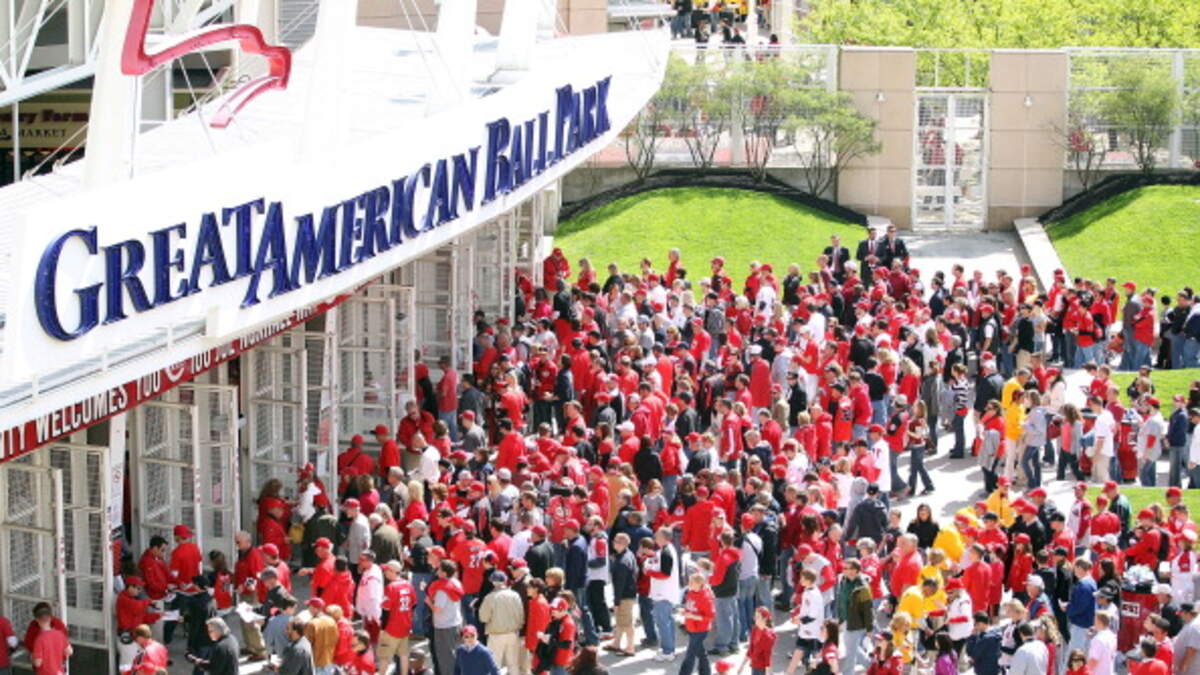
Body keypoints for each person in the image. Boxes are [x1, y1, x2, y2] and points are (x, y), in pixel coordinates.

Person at [679, 572, 716, 675]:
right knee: (701, 653)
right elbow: (690, 607)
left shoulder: (706, 598)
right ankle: (705, 672)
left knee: (690, 654)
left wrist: (693, 616)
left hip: (700, 630)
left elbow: (710, 617)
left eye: (692, 582)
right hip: (691, 627)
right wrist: (685, 612)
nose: (689, 584)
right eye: (689, 582)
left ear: (699, 584)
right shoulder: (690, 592)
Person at [28, 604, 69, 675]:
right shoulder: (60, 633)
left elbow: (37, 663)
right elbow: (69, 651)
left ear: (37, 619)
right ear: (50, 617)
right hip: (59, 671)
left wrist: (32, 658)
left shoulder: (39, 639)